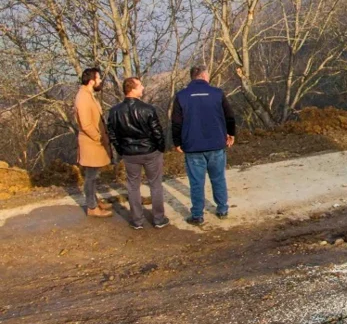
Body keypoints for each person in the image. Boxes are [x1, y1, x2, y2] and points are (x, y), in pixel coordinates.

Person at [172, 65, 236, 225]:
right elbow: (229, 116)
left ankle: (197, 215)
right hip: (216, 143)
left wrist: (177, 142)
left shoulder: (181, 96)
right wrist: (231, 133)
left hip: (193, 146)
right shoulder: (217, 93)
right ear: (204, 76)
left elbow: (176, 123)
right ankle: (222, 209)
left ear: (192, 77)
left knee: (196, 182)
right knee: (218, 178)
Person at [107, 77, 169, 230]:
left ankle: (137, 220)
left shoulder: (115, 111)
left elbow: (112, 134)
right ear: (132, 88)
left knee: (133, 186)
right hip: (150, 152)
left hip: (129, 154)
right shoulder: (147, 109)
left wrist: (121, 150)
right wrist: (160, 148)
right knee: (155, 185)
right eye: (140, 85)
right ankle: (158, 219)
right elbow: (157, 132)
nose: (143, 87)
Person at [74, 67, 113, 218]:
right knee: (90, 177)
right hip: (91, 143)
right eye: (99, 78)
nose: (101, 81)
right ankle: (92, 207)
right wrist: (98, 138)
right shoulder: (83, 97)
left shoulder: (87, 94)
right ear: (91, 81)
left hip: (93, 143)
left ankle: (95, 202)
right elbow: (86, 124)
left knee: (94, 175)